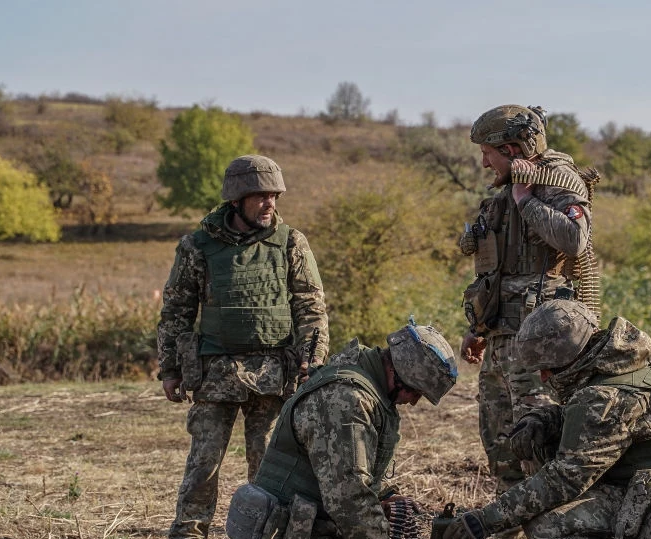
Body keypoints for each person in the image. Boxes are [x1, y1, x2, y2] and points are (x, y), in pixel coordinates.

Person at [157, 154, 329, 539]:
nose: (270, 204)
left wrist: (312, 365)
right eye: (261, 197)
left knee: (269, 471)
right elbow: (176, 311)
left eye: (274, 196)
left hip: (273, 375)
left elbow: (311, 308)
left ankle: (268, 534)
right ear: (236, 200)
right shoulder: (197, 246)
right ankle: (189, 532)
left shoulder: (291, 243)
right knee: (203, 466)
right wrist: (169, 370)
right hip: (214, 376)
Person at [444, 300, 651, 539]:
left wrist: (483, 521)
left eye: (547, 369)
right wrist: (547, 418)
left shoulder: (604, 398)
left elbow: (564, 480)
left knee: (546, 525)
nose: (545, 378)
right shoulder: (624, 361)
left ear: (568, 360)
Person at [458, 104, 597, 495]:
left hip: (541, 342)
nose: (485, 163)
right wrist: (479, 328)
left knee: (537, 445)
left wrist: (527, 200)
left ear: (515, 149)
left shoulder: (555, 180)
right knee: (501, 448)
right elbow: (496, 269)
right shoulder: (506, 189)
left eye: (489, 152)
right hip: (503, 336)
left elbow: (575, 239)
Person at [225, 321, 459, 538]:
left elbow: (353, 470)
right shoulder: (346, 399)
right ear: (400, 374)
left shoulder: (364, 378)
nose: (414, 402)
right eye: (415, 391)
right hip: (287, 529)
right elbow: (349, 499)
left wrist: (387, 496)